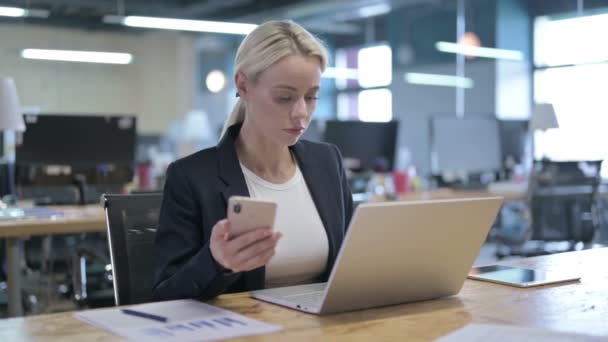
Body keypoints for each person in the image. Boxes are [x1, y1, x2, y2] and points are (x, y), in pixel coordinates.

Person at [153, 20, 353, 301]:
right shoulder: (192, 177)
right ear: (243, 85)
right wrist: (216, 262)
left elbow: (351, 261)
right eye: (284, 98)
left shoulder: (327, 161)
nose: (301, 113)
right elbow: (165, 295)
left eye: (311, 97)